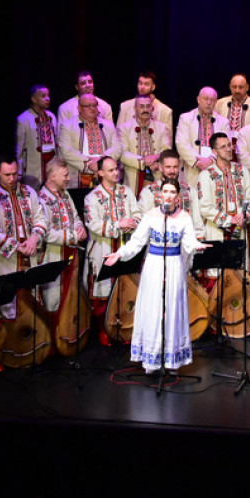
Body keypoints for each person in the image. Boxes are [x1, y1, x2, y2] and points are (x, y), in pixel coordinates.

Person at [104, 178, 211, 373]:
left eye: (172, 192)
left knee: (172, 309)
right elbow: (137, 242)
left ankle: (172, 359)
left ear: (177, 197)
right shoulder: (151, 216)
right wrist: (119, 253)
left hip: (174, 266)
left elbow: (188, 241)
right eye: (165, 191)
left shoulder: (184, 217)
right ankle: (152, 359)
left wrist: (197, 245)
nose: (168, 195)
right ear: (159, 195)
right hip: (153, 265)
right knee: (152, 309)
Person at [0, 155, 48, 320]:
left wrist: (33, 239)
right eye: (7, 175)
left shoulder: (28, 192)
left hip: (31, 256)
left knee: (32, 305)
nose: (12, 179)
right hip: (6, 261)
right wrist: (16, 246)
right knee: (7, 306)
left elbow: (40, 218)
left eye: (15, 174)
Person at [83, 156, 142, 307]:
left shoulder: (127, 191)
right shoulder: (92, 198)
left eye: (116, 169)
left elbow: (137, 214)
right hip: (102, 249)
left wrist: (133, 223)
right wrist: (118, 225)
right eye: (111, 170)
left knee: (126, 296)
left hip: (125, 248)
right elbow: (92, 224)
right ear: (101, 173)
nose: (116, 173)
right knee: (103, 301)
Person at [37, 159, 88, 313]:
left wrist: (80, 228)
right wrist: (73, 236)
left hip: (70, 255)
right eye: (65, 175)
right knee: (53, 301)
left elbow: (75, 216)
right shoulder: (41, 199)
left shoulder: (64, 194)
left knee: (70, 297)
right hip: (52, 256)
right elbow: (44, 233)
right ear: (52, 176)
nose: (68, 178)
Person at [197, 133, 250, 251]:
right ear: (214, 151)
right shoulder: (206, 175)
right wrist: (229, 219)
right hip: (216, 230)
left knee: (239, 265)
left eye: (229, 145)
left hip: (240, 228)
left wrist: (244, 215)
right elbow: (204, 207)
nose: (229, 149)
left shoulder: (243, 171)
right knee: (217, 267)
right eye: (223, 147)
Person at [57, 93, 122, 189]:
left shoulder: (108, 125)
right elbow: (66, 151)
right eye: (87, 106)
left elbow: (117, 148)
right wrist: (89, 163)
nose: (92, 108)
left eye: (94, 105)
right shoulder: (67, 126)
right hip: (78, 175)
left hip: (105, 174)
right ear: (79, 108)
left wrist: (101, 163)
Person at [175, 86, 233, 190]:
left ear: (216, 102)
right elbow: (181, 144)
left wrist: (210, 160)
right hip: (192, 168)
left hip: (215, 167)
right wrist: (198, 162)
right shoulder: (186, 118)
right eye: (206, 99)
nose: (209, 102)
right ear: (198, 99)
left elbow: (226, 146)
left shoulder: (223, 122)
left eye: (212, 100)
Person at [138, 149, 203, 238]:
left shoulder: (189, 190)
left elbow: (197, 221)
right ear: (160, 167)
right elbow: (144, 223)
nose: (172, 171)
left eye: (175, 167)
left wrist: (199, 239)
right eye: (168, 167)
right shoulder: (149, 192)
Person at [118, 93, 172, 195]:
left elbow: (167, 150)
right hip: (132, 177)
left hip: (157, 174)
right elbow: (122, 153)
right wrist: (144, 162)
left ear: (152, 108)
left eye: (148, 106)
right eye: (141, 106)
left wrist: (155, 157)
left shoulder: (162, 128)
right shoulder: (124, 128)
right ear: (135, 108)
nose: (145, 110)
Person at [15, 84, 58, 188]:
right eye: (43, 96)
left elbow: (56, 142)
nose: (47, 99)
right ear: (34, 99)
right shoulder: (23, 119)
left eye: (48, 96)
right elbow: (19, 150)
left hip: (51, 165)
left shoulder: (51, 116)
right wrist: (19, 172)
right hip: (34, 168)